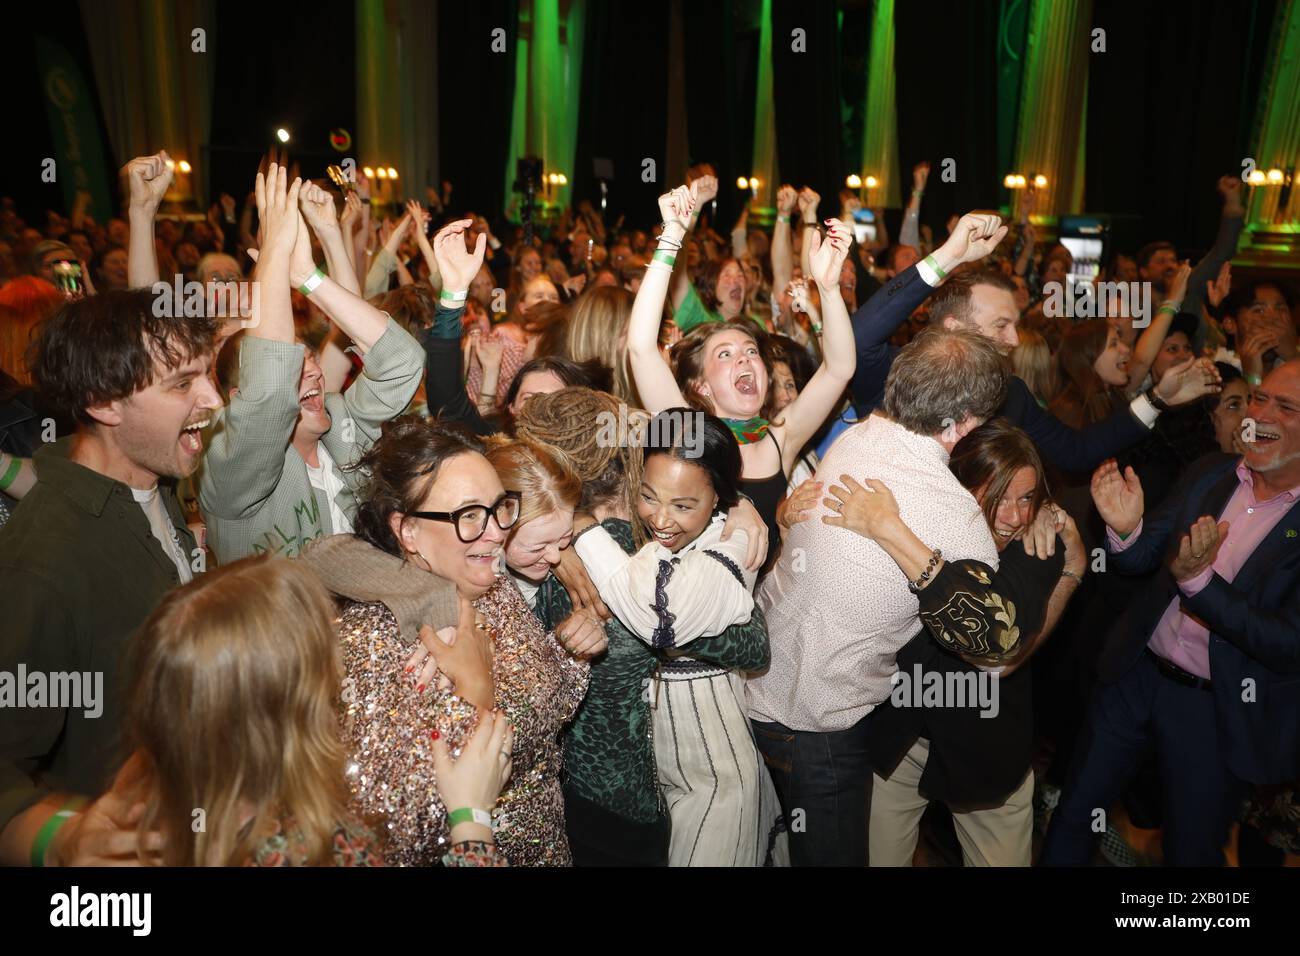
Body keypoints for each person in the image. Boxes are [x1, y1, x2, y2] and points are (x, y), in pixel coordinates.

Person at [746, 327, 1014, 867]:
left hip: (750, 696)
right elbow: (995, 647)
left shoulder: (854, 433)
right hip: (820, 730)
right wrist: (896, 535)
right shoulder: (955, 514)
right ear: (963, 424)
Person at [299, 416, 589, 866]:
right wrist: (477, 703)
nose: (495, 533)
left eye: (500, 508)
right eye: (468, 516)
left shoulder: (490, 587)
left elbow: (546, 703)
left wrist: (571, 653)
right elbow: (392, 836)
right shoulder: (374, 642)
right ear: (407, 530)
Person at [1043, 359, 1300, 866]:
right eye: (1258, 398)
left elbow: (1288, 644)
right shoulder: (1211, 472)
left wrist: (1200, 583)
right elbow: (1141, 556)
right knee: (1076, 813)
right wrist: (1125, 528)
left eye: (1285, 406)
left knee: (1192, 850)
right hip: (1135, 676)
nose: (1261, 413)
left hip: (1214, 709)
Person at [796, 419, 1085, 866]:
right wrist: (788, 513)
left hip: (988, 751)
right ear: (958, 487)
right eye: (996, 496)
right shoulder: (929, 519)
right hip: (900, 738)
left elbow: (996, 658)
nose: (1013, 516)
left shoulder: (1034, 546)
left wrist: (1071, 571)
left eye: (1026, 498)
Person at [0, 288, 220, 866]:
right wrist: (63, 839)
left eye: (209, 375)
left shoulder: (152, 483)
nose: (214, 398)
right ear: (103, 403)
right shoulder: (43, 561)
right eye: (182, 384)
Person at [513, 387, 773, 865]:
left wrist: (734, 506)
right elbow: (752, 645)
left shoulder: (532, 543)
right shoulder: (603, 549)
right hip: (624, 801)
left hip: (581, 792)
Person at [847, 219, 1221, 474]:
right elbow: (858, 339)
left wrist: (1157, 399)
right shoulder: (894, 373)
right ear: (954, 328)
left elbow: (1076, 451)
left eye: (1015, 324)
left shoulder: (1011, 395)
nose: (1013, 340)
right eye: (1000, 325)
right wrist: (950, 256)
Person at [198, 166, 425, 562]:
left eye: (309, 359)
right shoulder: (228, 464)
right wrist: (274, 252)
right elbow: (270, 395)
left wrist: (308, 274)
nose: (315, 371)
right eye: (293, 367)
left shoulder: (341, 425)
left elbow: (401, 361)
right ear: (237, 399)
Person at [627, 183, 857, 565]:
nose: (746, 360)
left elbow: (840, 368)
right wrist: (671, 237)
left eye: (751, 352)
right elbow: (640, 347)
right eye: (726, 354)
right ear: (701, 383)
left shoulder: (780, 438)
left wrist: (828, 289)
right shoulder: (688, 431)